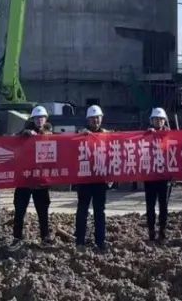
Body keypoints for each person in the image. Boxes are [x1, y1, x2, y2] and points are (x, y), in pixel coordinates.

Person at [13, 105, 53, 244]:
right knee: (19, 210)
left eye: (42, 117)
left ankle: (45, 237)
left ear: (46, 119)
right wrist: (25, 134)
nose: (39, 120)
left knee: (43, 211)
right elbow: (14, 140)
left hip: (40, 180)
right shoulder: (25, 132)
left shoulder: (49, 134)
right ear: (32, 119)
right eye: (37, 118)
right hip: (24, 178)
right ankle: (17, 237)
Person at [75, 104, 109, 252]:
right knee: (82, 211)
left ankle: (100, 241)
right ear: (88, 120)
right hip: (84, 180)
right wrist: (80, 135)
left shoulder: (107, 136)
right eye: (92, 118)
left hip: (100, 180)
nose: (95, 120)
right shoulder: (81, 134)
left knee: (99, 212)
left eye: (98, 118)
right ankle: (80, 241)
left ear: (101, 119)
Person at [143, 107, 171, 242]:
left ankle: (163, 230)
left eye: (161, 119)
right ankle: (151, 230)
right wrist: (148, 135)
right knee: (150, 205)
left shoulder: (170, 135)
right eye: (156, 119)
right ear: (151, 121)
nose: (158, 121)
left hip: (164, 177)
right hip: (150, 176)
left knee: (163, 205)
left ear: (164, 121)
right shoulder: (146, 135)